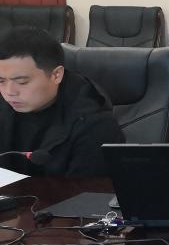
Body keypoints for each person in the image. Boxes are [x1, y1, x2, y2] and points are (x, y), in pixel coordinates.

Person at [0, 26, 124, 177]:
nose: (9, 92)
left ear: (56, 75)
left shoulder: (95, 124)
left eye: (22, 82)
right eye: (1, 81)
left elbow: (87, 189)